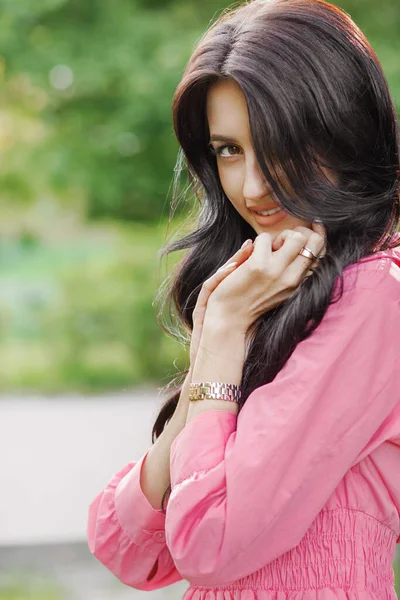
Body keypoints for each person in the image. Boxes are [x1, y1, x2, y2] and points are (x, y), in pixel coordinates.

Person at [87, 0, 400, 597]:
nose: (253, 187)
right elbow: (126, 546)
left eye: (280, 144)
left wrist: (225, 334)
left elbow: (210, 543)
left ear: (345, 133)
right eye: (229, 150)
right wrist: (215, 354)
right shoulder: (270, 291)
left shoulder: (375, 300)